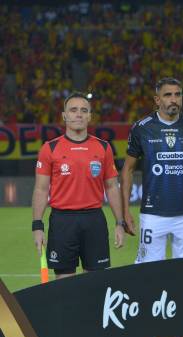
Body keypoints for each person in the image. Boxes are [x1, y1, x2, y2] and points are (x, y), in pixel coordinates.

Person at [120, 78, 183, 263]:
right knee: (148, 272)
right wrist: (125, 211)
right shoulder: (142, 128)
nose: (174, 99)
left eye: (177, 94)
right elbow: (127, 170)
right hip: (152, 214)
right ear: (157, 100)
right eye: (168, 95)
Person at [32, 92, 124, 279]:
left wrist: (119, 223)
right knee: (64, 285)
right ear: (64, 116)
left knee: (95, 284)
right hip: (62, 222)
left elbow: (112, 187)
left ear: (90, 116)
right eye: (73, 110)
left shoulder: (103, 147)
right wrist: (37, 226)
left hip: (94, 220)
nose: (79, 114)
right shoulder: (49, 148)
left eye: (84, 110)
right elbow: (41, 189)